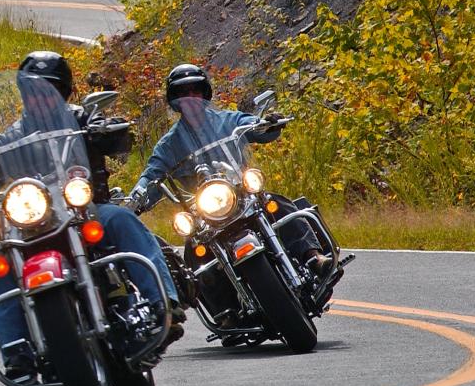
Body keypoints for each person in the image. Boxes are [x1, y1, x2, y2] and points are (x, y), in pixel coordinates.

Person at [0, 51, 182, 386]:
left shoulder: (81, 119)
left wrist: (108, 129)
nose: (38, 98)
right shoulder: (10, 138)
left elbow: (119, 137)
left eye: (47, 90)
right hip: (34, 223)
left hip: (84, 212)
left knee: (121, 219)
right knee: (0, 260)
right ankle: (16, 349)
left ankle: (162, 300)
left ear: (62, 92)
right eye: (32, 91)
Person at [127, 63, 330, 272]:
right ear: (174, 101)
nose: (190, 97)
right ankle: (221, 303)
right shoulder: (168, 145)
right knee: (193, 254)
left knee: (278, 205)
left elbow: (255, 126)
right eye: (182, 93)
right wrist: (135, 199)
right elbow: (151, 175)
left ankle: (313, 256)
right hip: (206, 214)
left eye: (195, 91)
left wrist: (269, 124)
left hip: (241, 195)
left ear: (205, 93)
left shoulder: (229, 120)